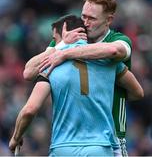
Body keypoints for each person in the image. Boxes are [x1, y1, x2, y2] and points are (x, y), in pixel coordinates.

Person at [9, 15, 144, 156]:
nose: (52, 45)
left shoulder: (50, 66)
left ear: (65, 34)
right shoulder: (108, 61)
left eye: (54, 40)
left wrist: (16, 137)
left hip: (63, 149)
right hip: (100, 148)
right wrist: (104, 94)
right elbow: (137, 92)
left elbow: (30, 109)